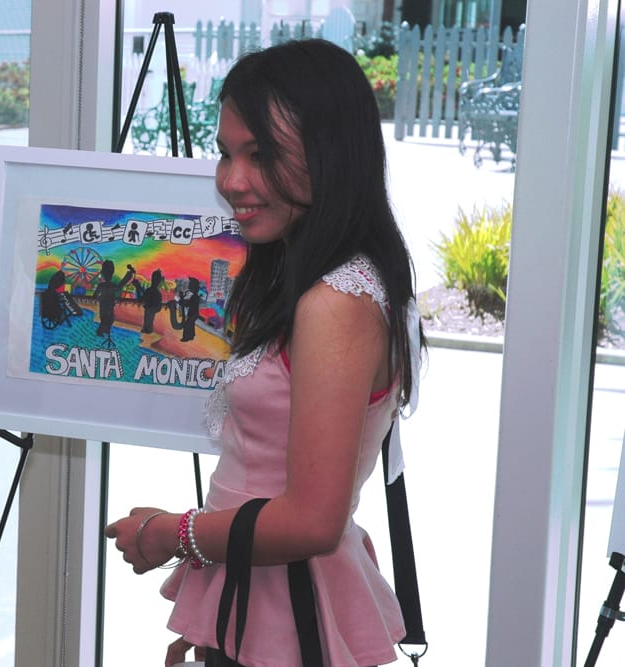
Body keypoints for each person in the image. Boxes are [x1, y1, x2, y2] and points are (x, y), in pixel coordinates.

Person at [105, 38, 425, 667]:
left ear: (331, 154)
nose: (232, 181)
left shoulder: (336, 300)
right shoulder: (310, 274)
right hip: (266, 600)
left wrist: (170, 533)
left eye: (262, 155)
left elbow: (310, 521)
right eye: (226, 154)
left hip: (293, 610)